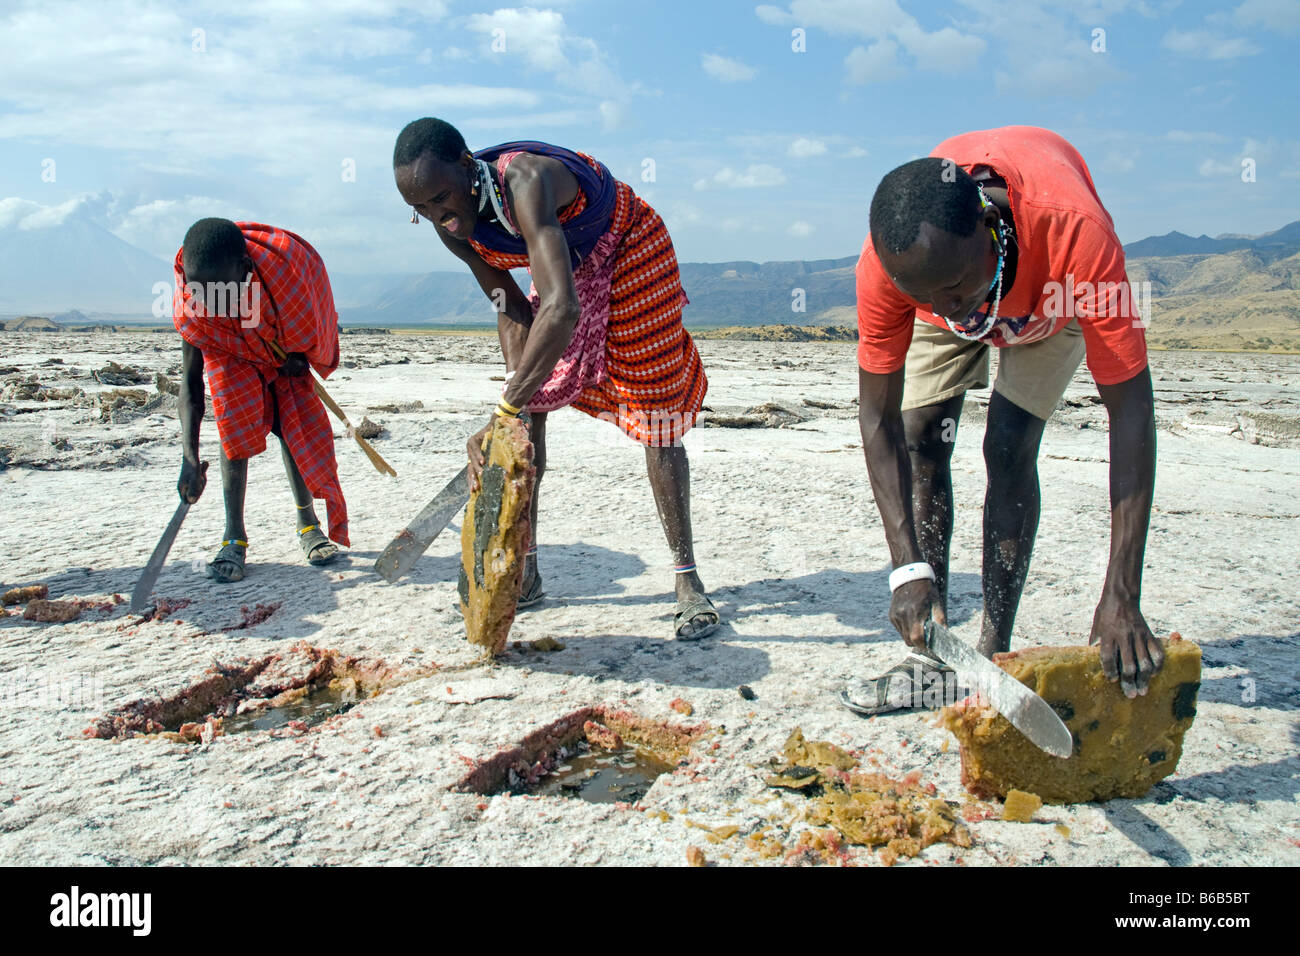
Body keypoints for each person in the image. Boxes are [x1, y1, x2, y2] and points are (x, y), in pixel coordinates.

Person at [846, 126, 1160, 714]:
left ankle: (994, 654)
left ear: (988, 229)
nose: (943, 308)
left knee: (1008, 446)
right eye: (923, 297)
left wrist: (1122, 593)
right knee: (921, 437)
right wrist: (905, 570)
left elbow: (1131, 411)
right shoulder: (897, 270)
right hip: (962, 273)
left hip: (1048, 297)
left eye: (954, 287)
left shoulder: (1077, 236)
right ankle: (934, 655)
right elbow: (878, 418)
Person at [392, 118, 717, 639]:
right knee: (531, 401)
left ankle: (687, 581)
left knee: (656, 412)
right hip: (565, 273)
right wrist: (515, 398)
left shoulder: (526, 181)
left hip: (630, 247)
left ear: (464, 163)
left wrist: (503, 408)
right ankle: (528, 572)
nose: (437, 216)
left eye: (440, 198)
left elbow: (560, 308)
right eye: (420, 209)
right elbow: (511, 305)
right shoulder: (448, 223)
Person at [173, 218, 348, 582]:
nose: (213, 305)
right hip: (232, 356)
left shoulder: (285, 275)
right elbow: (190, 386)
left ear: (246, 269)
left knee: (290, 423)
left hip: (281, 354)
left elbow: (313, 319)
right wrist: (189, 458)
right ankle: (233, 537)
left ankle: (307, 524)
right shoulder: (197, 306)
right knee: (232, 424)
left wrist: (297, 356)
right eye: (202, 293)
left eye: (223, 294)